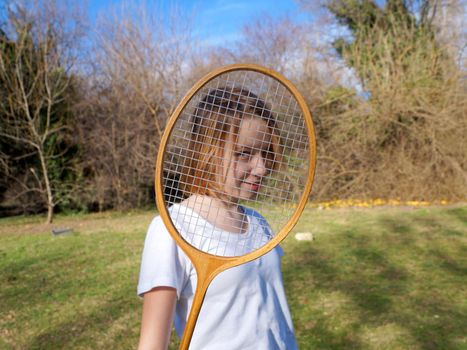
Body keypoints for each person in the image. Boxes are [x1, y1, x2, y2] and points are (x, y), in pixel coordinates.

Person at [137, 87, 298, 350]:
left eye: (265, 152)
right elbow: (152, 345)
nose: (262, 167)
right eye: (244, 153)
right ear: (207, 151)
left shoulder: (259, 224)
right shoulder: (171, 229)